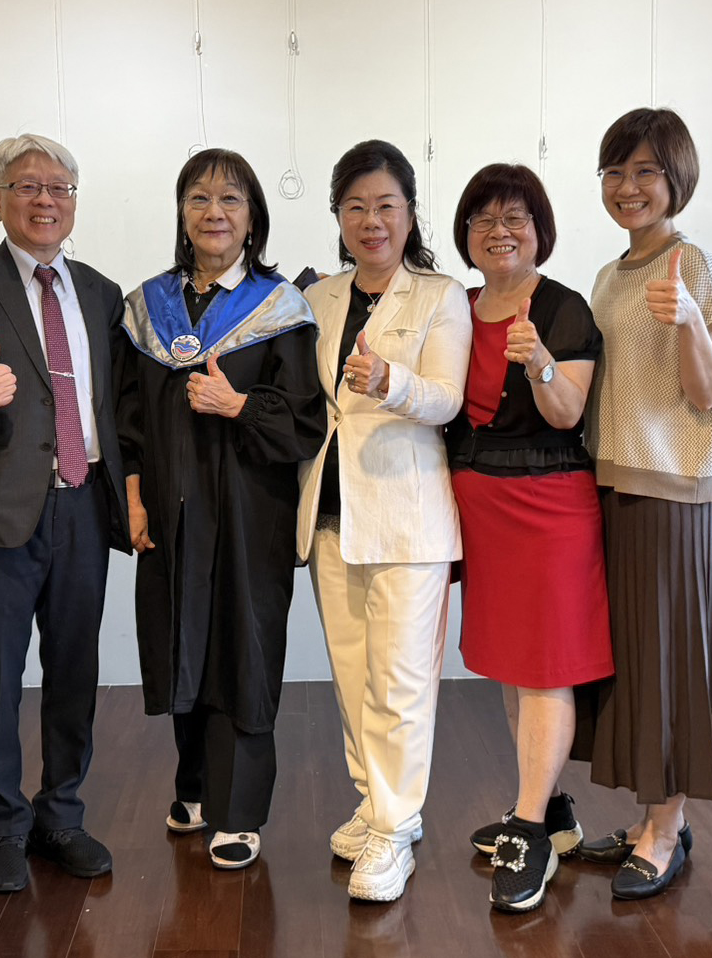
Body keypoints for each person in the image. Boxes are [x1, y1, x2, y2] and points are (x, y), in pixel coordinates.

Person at [0, 133, 130, 894]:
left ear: (74, 202)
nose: (45, 200)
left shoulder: (100, 291)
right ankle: (5, 825)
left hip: (83, 507)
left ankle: (60, 815)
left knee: (75, 670)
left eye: (59, 188)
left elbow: (114, 403)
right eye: (28, 186)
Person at [116, 148, 325, 870]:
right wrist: (134, 499)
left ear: (253, 218)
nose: (214, 212)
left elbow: (305, 421)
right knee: (183, 640)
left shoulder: (279, 310)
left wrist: (238, 406)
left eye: (231, 199)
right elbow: (127, 418)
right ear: (181, 214)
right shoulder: (147, 308)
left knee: (241, 649)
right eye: (199, 199)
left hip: (247, 513)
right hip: (170, 512)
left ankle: (238, 812)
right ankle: (195, 787)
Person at [296, 139, 471, 901]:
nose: (372, 221)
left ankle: (395, 829)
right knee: (353, 675)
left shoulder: (440, 295)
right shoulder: (319, 299)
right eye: (356, 207)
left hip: (407, 518)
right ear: (338, 216)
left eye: (386, 206)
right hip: (332, 514)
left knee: (400, 682)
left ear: (409, 214)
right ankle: (376, 806)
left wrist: (391, 380)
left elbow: (447, 399)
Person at [574, 107, 712, 900]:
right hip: (611, 485)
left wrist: (693, 323)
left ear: (677, 179)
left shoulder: (691, 264)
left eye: (644, 171)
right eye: (615, 171)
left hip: (671, 490)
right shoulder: (609, 277)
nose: (627, 187)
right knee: (635, 663)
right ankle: (651, 816)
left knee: (668, 660)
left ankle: (666, 829)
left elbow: (708, 394)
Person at [445, 164, 614, 913]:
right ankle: (547, 810)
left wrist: (541, 362)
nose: (499, 232)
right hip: (481, 510)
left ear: (540, 230)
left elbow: (567, 414)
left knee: (545, 670)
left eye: (515, 218)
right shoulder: (456, 307)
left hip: (549, 508)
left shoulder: (564, 308)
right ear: (466, 235)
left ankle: (529, 830)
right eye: (483, 219)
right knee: (515, 668)